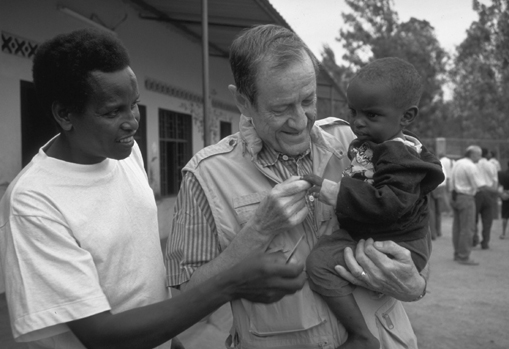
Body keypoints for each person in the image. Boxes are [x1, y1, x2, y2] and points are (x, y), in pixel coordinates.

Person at [0, 28, 307, 349]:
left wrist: (172, 342)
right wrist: (230, 283)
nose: (132, 120)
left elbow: (138, 277)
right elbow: (102, 336)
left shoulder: (124, 152)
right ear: (65, 114)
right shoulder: (33, 202)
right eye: (112, 111)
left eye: (134, 104)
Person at [165, 24, 428, 349]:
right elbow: (186, 302)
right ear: (243, 102)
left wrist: (415, 283)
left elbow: (409, 222)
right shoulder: (205, 176)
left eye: (307, 100)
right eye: (281, 108)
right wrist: (258, 231)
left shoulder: (358, 144)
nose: (301, 120)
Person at [301, 57, 444, 349]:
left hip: (399, 243)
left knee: (319, 264)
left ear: (406, 117)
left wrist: (334, 192)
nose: (357, 122)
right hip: (381, 233)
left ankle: (362, 335)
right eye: (352, 112)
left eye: (372, 115)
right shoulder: (376, 144)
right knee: (328, 251)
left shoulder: (399, 154)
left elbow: (389, 203)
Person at [449, 145, 497, 265]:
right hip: (466, 197)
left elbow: (450, 180)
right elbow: (480, 185)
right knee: (467, 228)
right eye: (479, 154)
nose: (480, 157)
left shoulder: (458, 163)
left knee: (457, 227)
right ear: (472, 154)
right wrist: (499, 192)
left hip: (455, 196)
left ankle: (457, 253)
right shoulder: (471, 166)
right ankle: (464, 256)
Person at [473, 148, 499, 249]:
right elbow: (495, 182)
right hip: (489, 193)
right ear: (487, 154)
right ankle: (485, 242)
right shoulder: (492, 165)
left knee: (473, 219)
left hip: (477, 193)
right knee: (487, 220)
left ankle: (474, 239)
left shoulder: (473, 165)